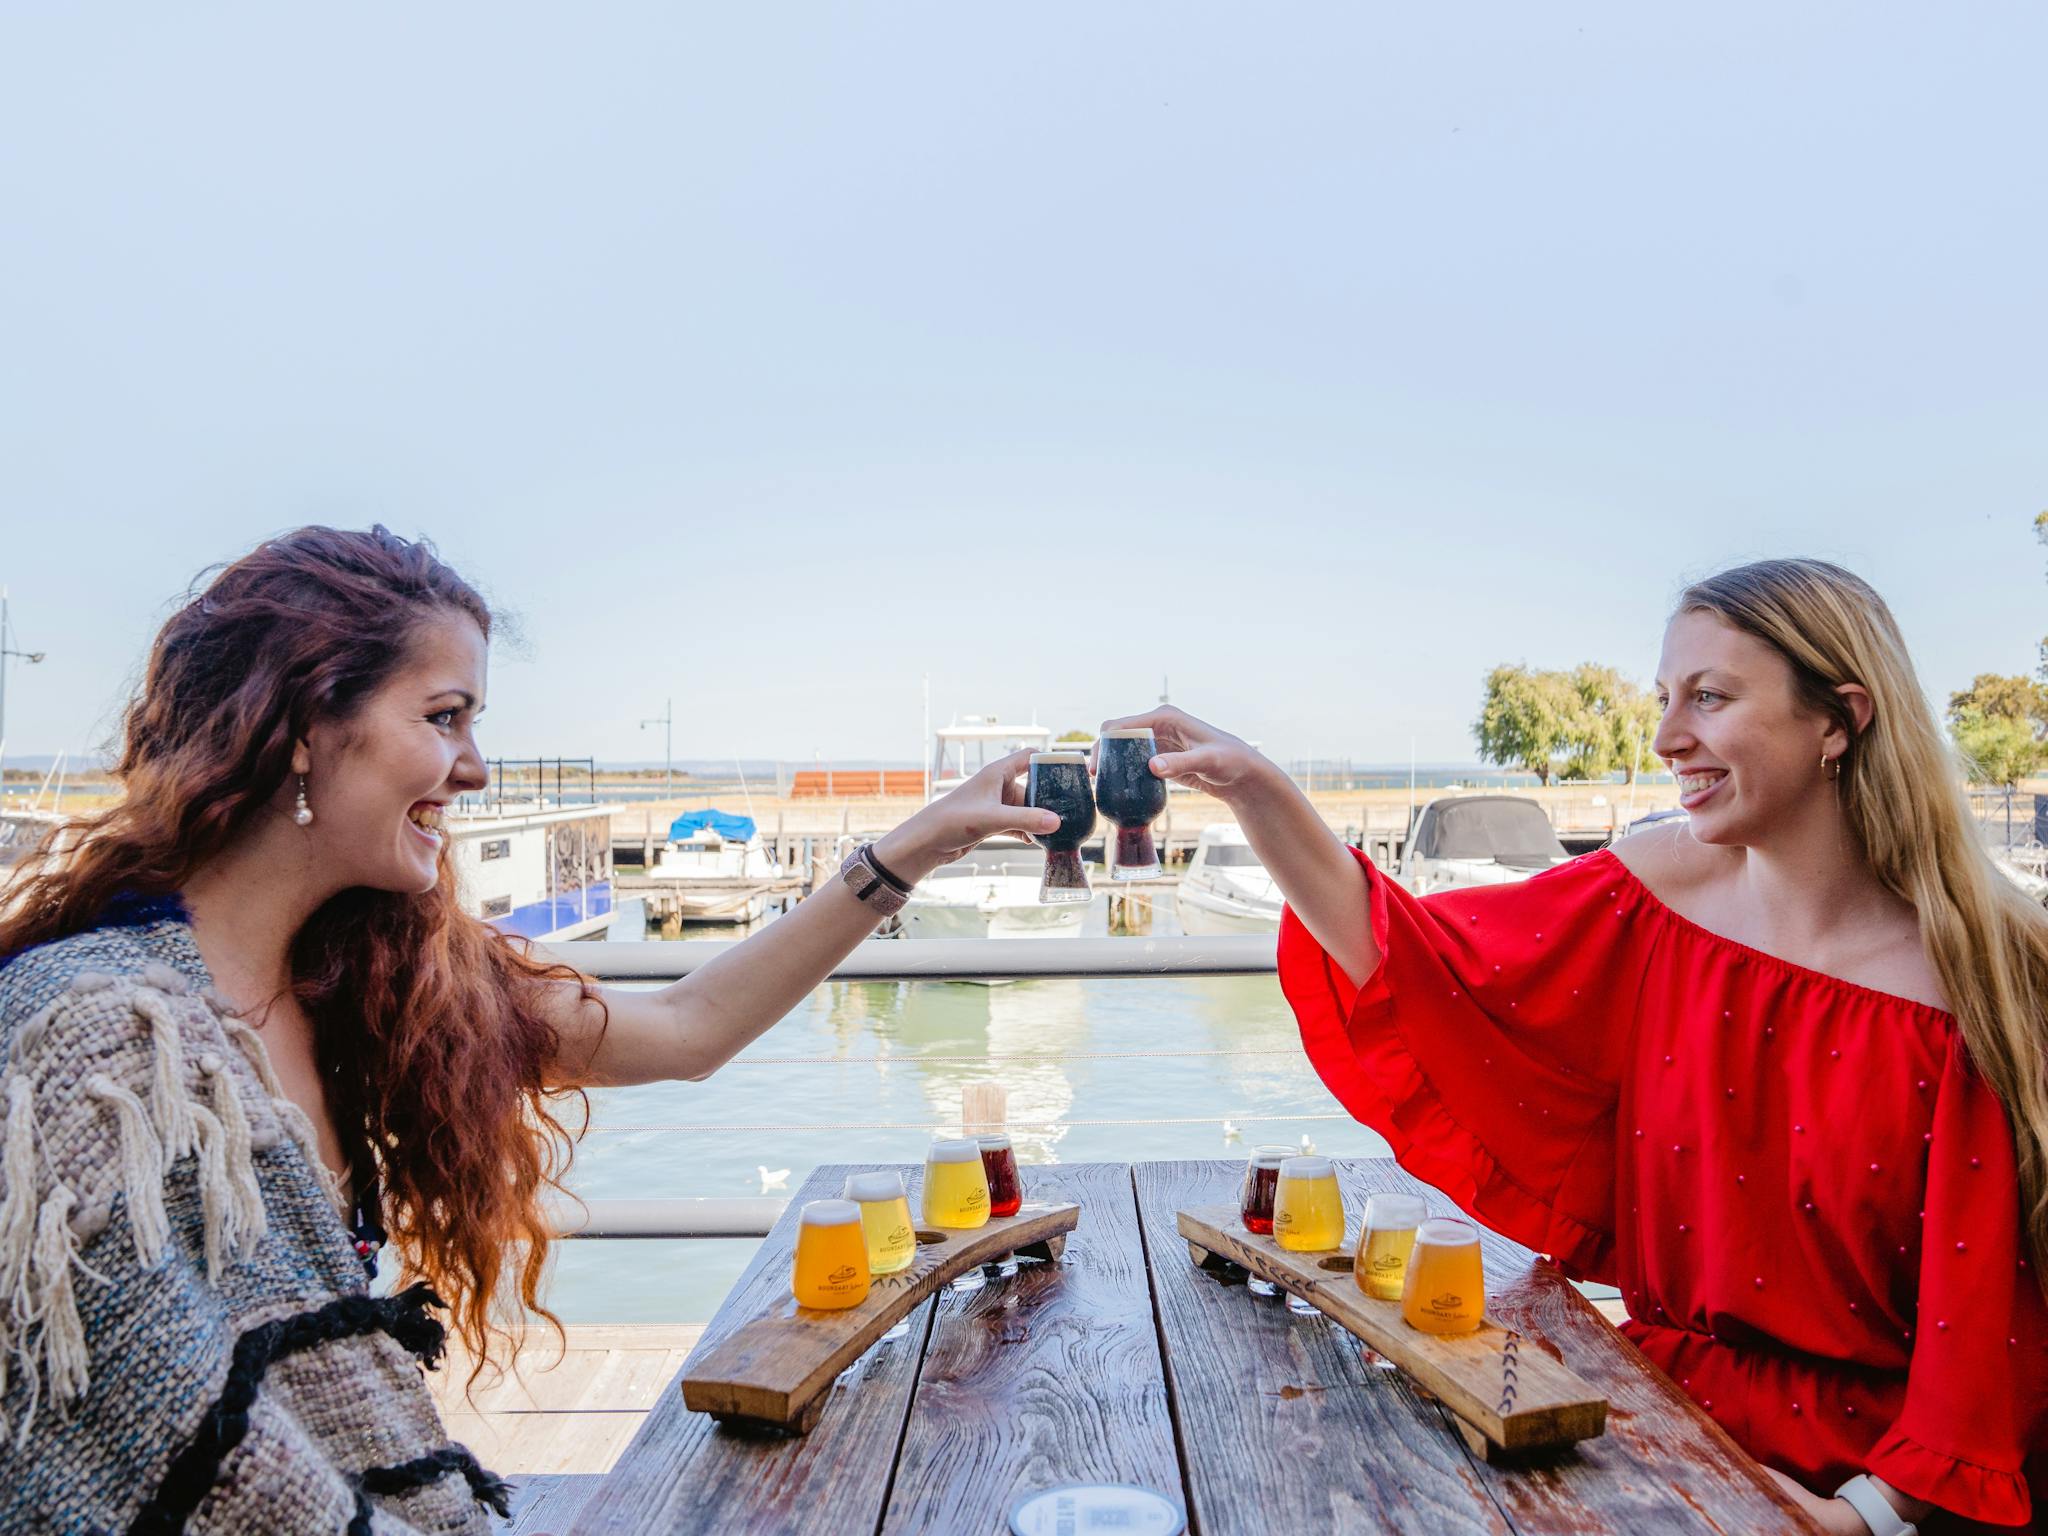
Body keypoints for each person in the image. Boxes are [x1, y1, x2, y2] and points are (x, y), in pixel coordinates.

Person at [0, 525, 1061, 1533]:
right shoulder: (98, 1042)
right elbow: (134, 1446)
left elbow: (688, 1027)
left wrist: (911, 849)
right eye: (444, 716)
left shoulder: (377, 985)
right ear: (306, 730)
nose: (476, 768)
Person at [1106, 559, 2048, 1534]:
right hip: (1647, 1417)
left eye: (1709, 698)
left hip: (1885, 1488)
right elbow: (1416, 965)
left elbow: (1988, 1326)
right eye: (1662, 698)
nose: (1663, 736)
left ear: (1838, 720)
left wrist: (1851, 1518)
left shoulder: (1979, 979)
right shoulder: (1647, 893)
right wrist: (1259, 791)